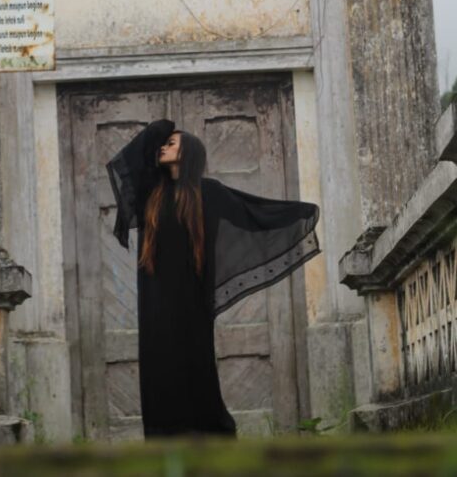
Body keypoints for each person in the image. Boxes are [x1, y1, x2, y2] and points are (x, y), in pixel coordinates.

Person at [106, 118, 320, 438]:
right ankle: (164, 441)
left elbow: (255, 214)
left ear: (189, 152)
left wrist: (298, 215)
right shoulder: (151, 191)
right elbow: (132, 155)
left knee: (195, 368)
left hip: (192, 302)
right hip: (154, 304)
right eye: (166, 143)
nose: (164, 146)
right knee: (158, 372)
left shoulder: (210, 193)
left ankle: (210, 439)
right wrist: (165, 127)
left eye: (173, 143)